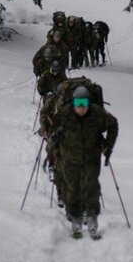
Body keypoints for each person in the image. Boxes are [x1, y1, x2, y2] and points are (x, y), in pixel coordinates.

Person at [49, 86, 118, 239]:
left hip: (91, 158)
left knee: (91, 187)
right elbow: (52, 127)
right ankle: (76, 223)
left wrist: (108, 146)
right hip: (70, 158)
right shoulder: (65, 114)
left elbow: (113, 124)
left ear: (89, 103)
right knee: (73, 189)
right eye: (78, 103)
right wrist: (55, 138)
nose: (81, 108)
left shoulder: (98, 114)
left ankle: (92, 223)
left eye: (84, 103)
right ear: (73, 103)